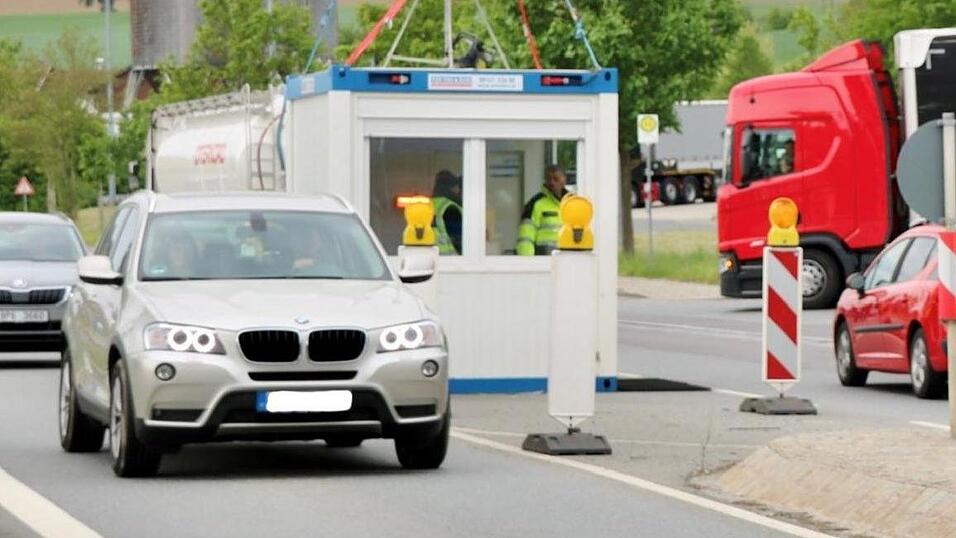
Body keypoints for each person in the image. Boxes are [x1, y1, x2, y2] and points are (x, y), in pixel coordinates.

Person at [517, 165, 569, 256]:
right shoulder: (534, 203)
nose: (552, 182)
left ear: (564, 180)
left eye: (556, 178)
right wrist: (527, 262)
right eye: (548, 179)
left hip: (567, 260)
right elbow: (525, 237)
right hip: (542, 261)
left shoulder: (572, 203)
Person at [431, 170, 463, 255]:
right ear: (451, 187)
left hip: (432, 256)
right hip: (450, 259)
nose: (458, 190)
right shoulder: (450, 208)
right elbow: (458, 238)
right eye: (456, 186)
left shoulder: (430, 204)